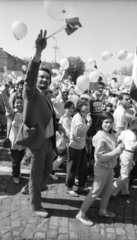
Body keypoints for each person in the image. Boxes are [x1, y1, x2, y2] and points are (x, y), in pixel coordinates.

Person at [16, 30, 65, 218]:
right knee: (37, 178)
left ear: (50, 82)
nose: (44, 79)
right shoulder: (31, 93)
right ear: (37, 80)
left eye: (47, 78)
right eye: (41, 77)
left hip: (49, 142)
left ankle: (30, 189)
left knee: (46, 173)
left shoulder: (48, 98)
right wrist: (37, 54)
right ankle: (35, 205)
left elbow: (49, 118)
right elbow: (29, 79)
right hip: (37, 142)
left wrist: (59, 126)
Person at [76, 112, 124, 226]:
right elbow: (100, 157)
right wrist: (116, 151)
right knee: (95, 192)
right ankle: (81, 213)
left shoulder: (110, 133)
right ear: (101, 122)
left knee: (108, 190)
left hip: (109, 168)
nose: (108, 124)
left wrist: (118, 145)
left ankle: (103, 210)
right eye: (106, 122)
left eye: (111, 122)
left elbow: (111, 149)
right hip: (102, 168)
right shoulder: (100, 135)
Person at [111, 110, 137, 199]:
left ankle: (125, 192)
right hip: (128, 154)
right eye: (136, 124)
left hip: (125, 154)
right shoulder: (131, 134)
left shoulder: (124, 131)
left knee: (126, 174)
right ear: (132, 124)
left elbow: (119, 140)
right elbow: (133, 146)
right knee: (124, 175)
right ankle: (111, 192)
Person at [65, 96, 92, 197]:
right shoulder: (78, 117)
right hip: (75, 147)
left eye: (88, 105)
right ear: (80, 106)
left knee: (83, 168)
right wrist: (89, 123)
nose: (87, 107)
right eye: (85, 105)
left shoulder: (83, 116)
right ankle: (69, 187)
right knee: (73, 169)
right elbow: (79, 133)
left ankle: (81, 186)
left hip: (81, 146)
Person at [1, 86, 25, 184]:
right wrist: (3, 92)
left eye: (21, 102)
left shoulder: (25, 113)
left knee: (20, 158)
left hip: (23, 141)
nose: (19, 104)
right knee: (16, 160)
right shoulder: (12, 112)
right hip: (14, 141)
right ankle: (16, 175)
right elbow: (7, 104)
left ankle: (15, 170)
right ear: (14, 104)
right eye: (17, 102)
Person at [51, 101, 74, 179]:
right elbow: (67, 131)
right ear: (65, 109)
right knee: (61, 158)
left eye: (72, 108)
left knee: (66, 158)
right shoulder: (64, 118)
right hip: (64, 141)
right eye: (69, 108)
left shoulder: (71, 118)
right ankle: (51, 171)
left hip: (69, 141)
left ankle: (69, 175)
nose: (71, 110)